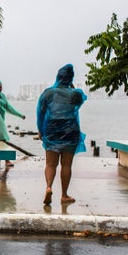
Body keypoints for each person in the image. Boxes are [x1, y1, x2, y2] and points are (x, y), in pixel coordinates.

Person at [36, 64, 87, 206]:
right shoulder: (76, 94)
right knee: (66, 165)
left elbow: (40, 113)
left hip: (52, 130)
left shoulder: (48, 93)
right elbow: (80, 100)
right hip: (70, 131)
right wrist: (71, 86)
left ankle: (48, 187)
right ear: (71, 78)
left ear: (58, 77)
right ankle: (64, 195)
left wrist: (40, 130)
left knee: (50, 164)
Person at [0, 78, 26, 166]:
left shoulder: (3, 96)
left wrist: (20, 115)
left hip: (0, 119)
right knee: (3, 138)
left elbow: (9, 108)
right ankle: (7, 160)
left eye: (1, 87)